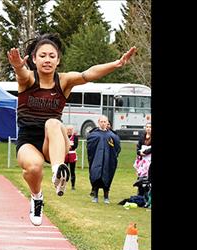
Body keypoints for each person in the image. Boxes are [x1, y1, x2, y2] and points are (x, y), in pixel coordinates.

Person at [7, 33, 135, 225]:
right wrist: (18, 65)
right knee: (33, 168)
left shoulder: (64, 80)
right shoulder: (28, 80)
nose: (47, 60)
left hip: (55, 140)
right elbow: (21, 73)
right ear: (34, 59)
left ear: (58, 60)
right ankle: (37, 197)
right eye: (42, 56)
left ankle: (59, 170)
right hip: (29, 140)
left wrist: (116, 64)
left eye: (52, 56)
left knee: (52, 123)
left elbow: (88, 74)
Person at [87, 115, 121, 204]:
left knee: (107, 177)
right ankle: (95, 196)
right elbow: (90, 148)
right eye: (101, 122)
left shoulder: (112, 136)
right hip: (96, 159)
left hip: (108, 160)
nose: (103, 123)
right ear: (98, 122)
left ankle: (106, 197)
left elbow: (117, 148)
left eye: (104, 122)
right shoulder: (93, 135)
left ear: (107, 123)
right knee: (96, 176)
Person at [133, 122, 152, 196]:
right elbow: (138, 147)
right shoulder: (142, 137)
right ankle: (140, 193)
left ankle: (147, 194)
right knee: (141, 177)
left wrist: (146, 152)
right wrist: (139, 152)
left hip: (149, 160)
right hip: (142, 161)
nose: (148, 128)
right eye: (147, 127)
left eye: (150, 127)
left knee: (148, 177)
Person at [64, 125, 78, 191]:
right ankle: (64, 186)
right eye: (68, 129)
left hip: (72, 155)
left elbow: (75, 145)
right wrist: (68, 146)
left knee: (72, 171)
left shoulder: (75, 137)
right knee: (65, 171)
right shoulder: (64, 136)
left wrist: (69, 146)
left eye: (70, 129)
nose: (69, 131)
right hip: (65, 155)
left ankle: (73, 186)